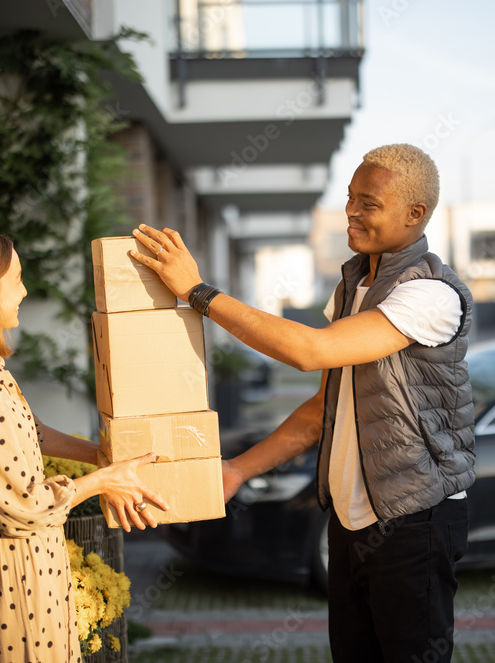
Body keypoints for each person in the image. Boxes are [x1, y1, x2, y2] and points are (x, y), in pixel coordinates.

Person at [130, 143, 475, 662]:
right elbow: (323, 410)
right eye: (350, 197)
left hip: (413, 521)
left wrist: (198, 293)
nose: (351, 212)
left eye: (369, 203)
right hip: (350, 521)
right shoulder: (354, 285)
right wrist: (238, 471)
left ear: (415, 214)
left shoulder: (430, 294)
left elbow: (309, 351)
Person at [0, 229, 168, 663]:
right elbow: (21, 507)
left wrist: (103, 455)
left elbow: (34, 432)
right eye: (15, 280)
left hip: (31, 571)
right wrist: (103, 482)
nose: (25, 292)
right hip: (11, 583)